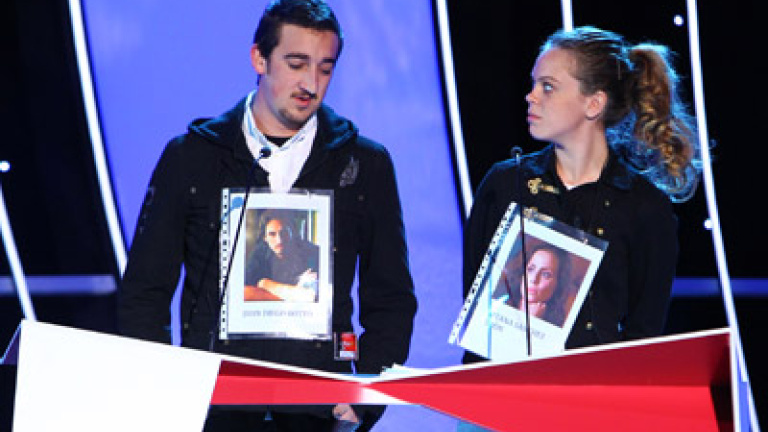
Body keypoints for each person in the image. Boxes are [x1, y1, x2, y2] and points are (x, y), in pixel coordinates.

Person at [118, 1, 417, 431]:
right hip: (214, 410)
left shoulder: (364, 164)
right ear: (259, 58)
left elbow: (391, 296)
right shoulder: (193, 157)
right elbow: (145, 291)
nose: (311, 84)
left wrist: (366, 396)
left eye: (325, 68)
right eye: (297, 64)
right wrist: (165, 392)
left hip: (318, 412)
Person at [463, 26, 701, 365]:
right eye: (533, 84)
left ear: (594, 103)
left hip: (596, 392)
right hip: (501, 387)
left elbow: (643, 334)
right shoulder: (505, 184)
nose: (531, 96)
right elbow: (476, 311)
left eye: (548, 87)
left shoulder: (644, 207)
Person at [244, 209, 320, 302]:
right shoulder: (260, 253)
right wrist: (293, 295)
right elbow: (244, 292)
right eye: (272, 234)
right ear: (265, 238)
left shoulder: (311, 251)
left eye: (284, 233)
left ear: (293, 233)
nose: (279, 240)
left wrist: (266, 285)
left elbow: (314, 295)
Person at [494, 243, 571, 327]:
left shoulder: (558, 327)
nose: (534, 279)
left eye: (545, 274)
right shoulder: (499, 301)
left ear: (557, 285)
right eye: (530, 269)